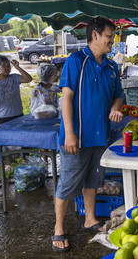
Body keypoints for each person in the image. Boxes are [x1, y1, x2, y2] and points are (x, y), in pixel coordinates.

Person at [52, 17, 123, 252]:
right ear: (95, 35)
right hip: (77, 137)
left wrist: (115, 109)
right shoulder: (76, 61)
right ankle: (58, 229)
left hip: (100, 135)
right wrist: (69, 133)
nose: (112, 41)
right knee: (68, 183)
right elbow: (67, 98)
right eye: (109, 36)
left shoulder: (112, 67)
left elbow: (117, 96)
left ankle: (90, 219)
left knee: (93, 180)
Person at [0, 55, 32, 125]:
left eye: (8, 66)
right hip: (3, 117)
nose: (7, 68)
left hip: (18, 114)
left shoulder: (14, 77)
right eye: (4, 66)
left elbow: (28, 79)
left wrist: (17, 67)